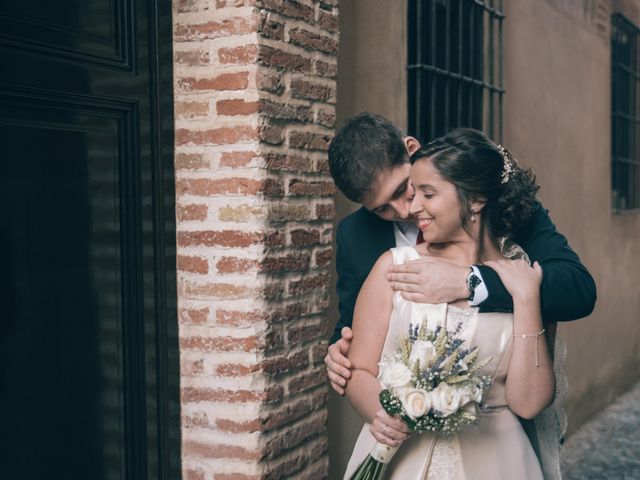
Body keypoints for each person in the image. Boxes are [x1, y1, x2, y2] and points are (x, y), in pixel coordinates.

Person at [325, 113, 596, 396]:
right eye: (382, 209)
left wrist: (471, 282)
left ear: (412, 149)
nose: (404, 211)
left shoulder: (489, 197)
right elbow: (351, 321)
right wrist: (338, 351)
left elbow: (577, 291)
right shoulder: (355, 236)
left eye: (403, 188)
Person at [343, 129, 559, 479]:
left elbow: (529, 402)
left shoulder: (520, 276)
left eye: (426, 193)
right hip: (403, 460)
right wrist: (381, 415)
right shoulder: (393, 267)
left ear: (474, 199)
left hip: (499, 463)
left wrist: (526, 298)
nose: (412, 208)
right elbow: (360, 369)